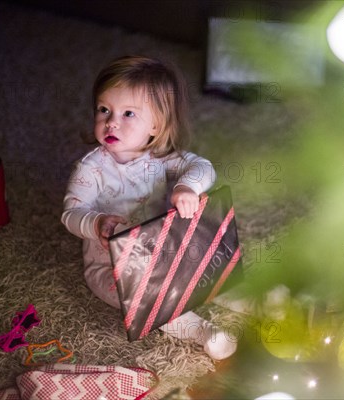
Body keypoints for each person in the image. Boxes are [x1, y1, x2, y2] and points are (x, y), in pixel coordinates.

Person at [61, 55, 236, 360]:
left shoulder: (162, 158)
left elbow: (203, 168)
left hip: (168, 249)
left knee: (207, 260)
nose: (111, 121)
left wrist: (186, 187)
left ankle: (240, 298)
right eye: (104, 110)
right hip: (113, 266)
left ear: (155, 126)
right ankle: (199, 330)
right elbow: (71, 213)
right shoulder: (91, 169)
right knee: (146, 299)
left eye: (128, 113)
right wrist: (97, 223)